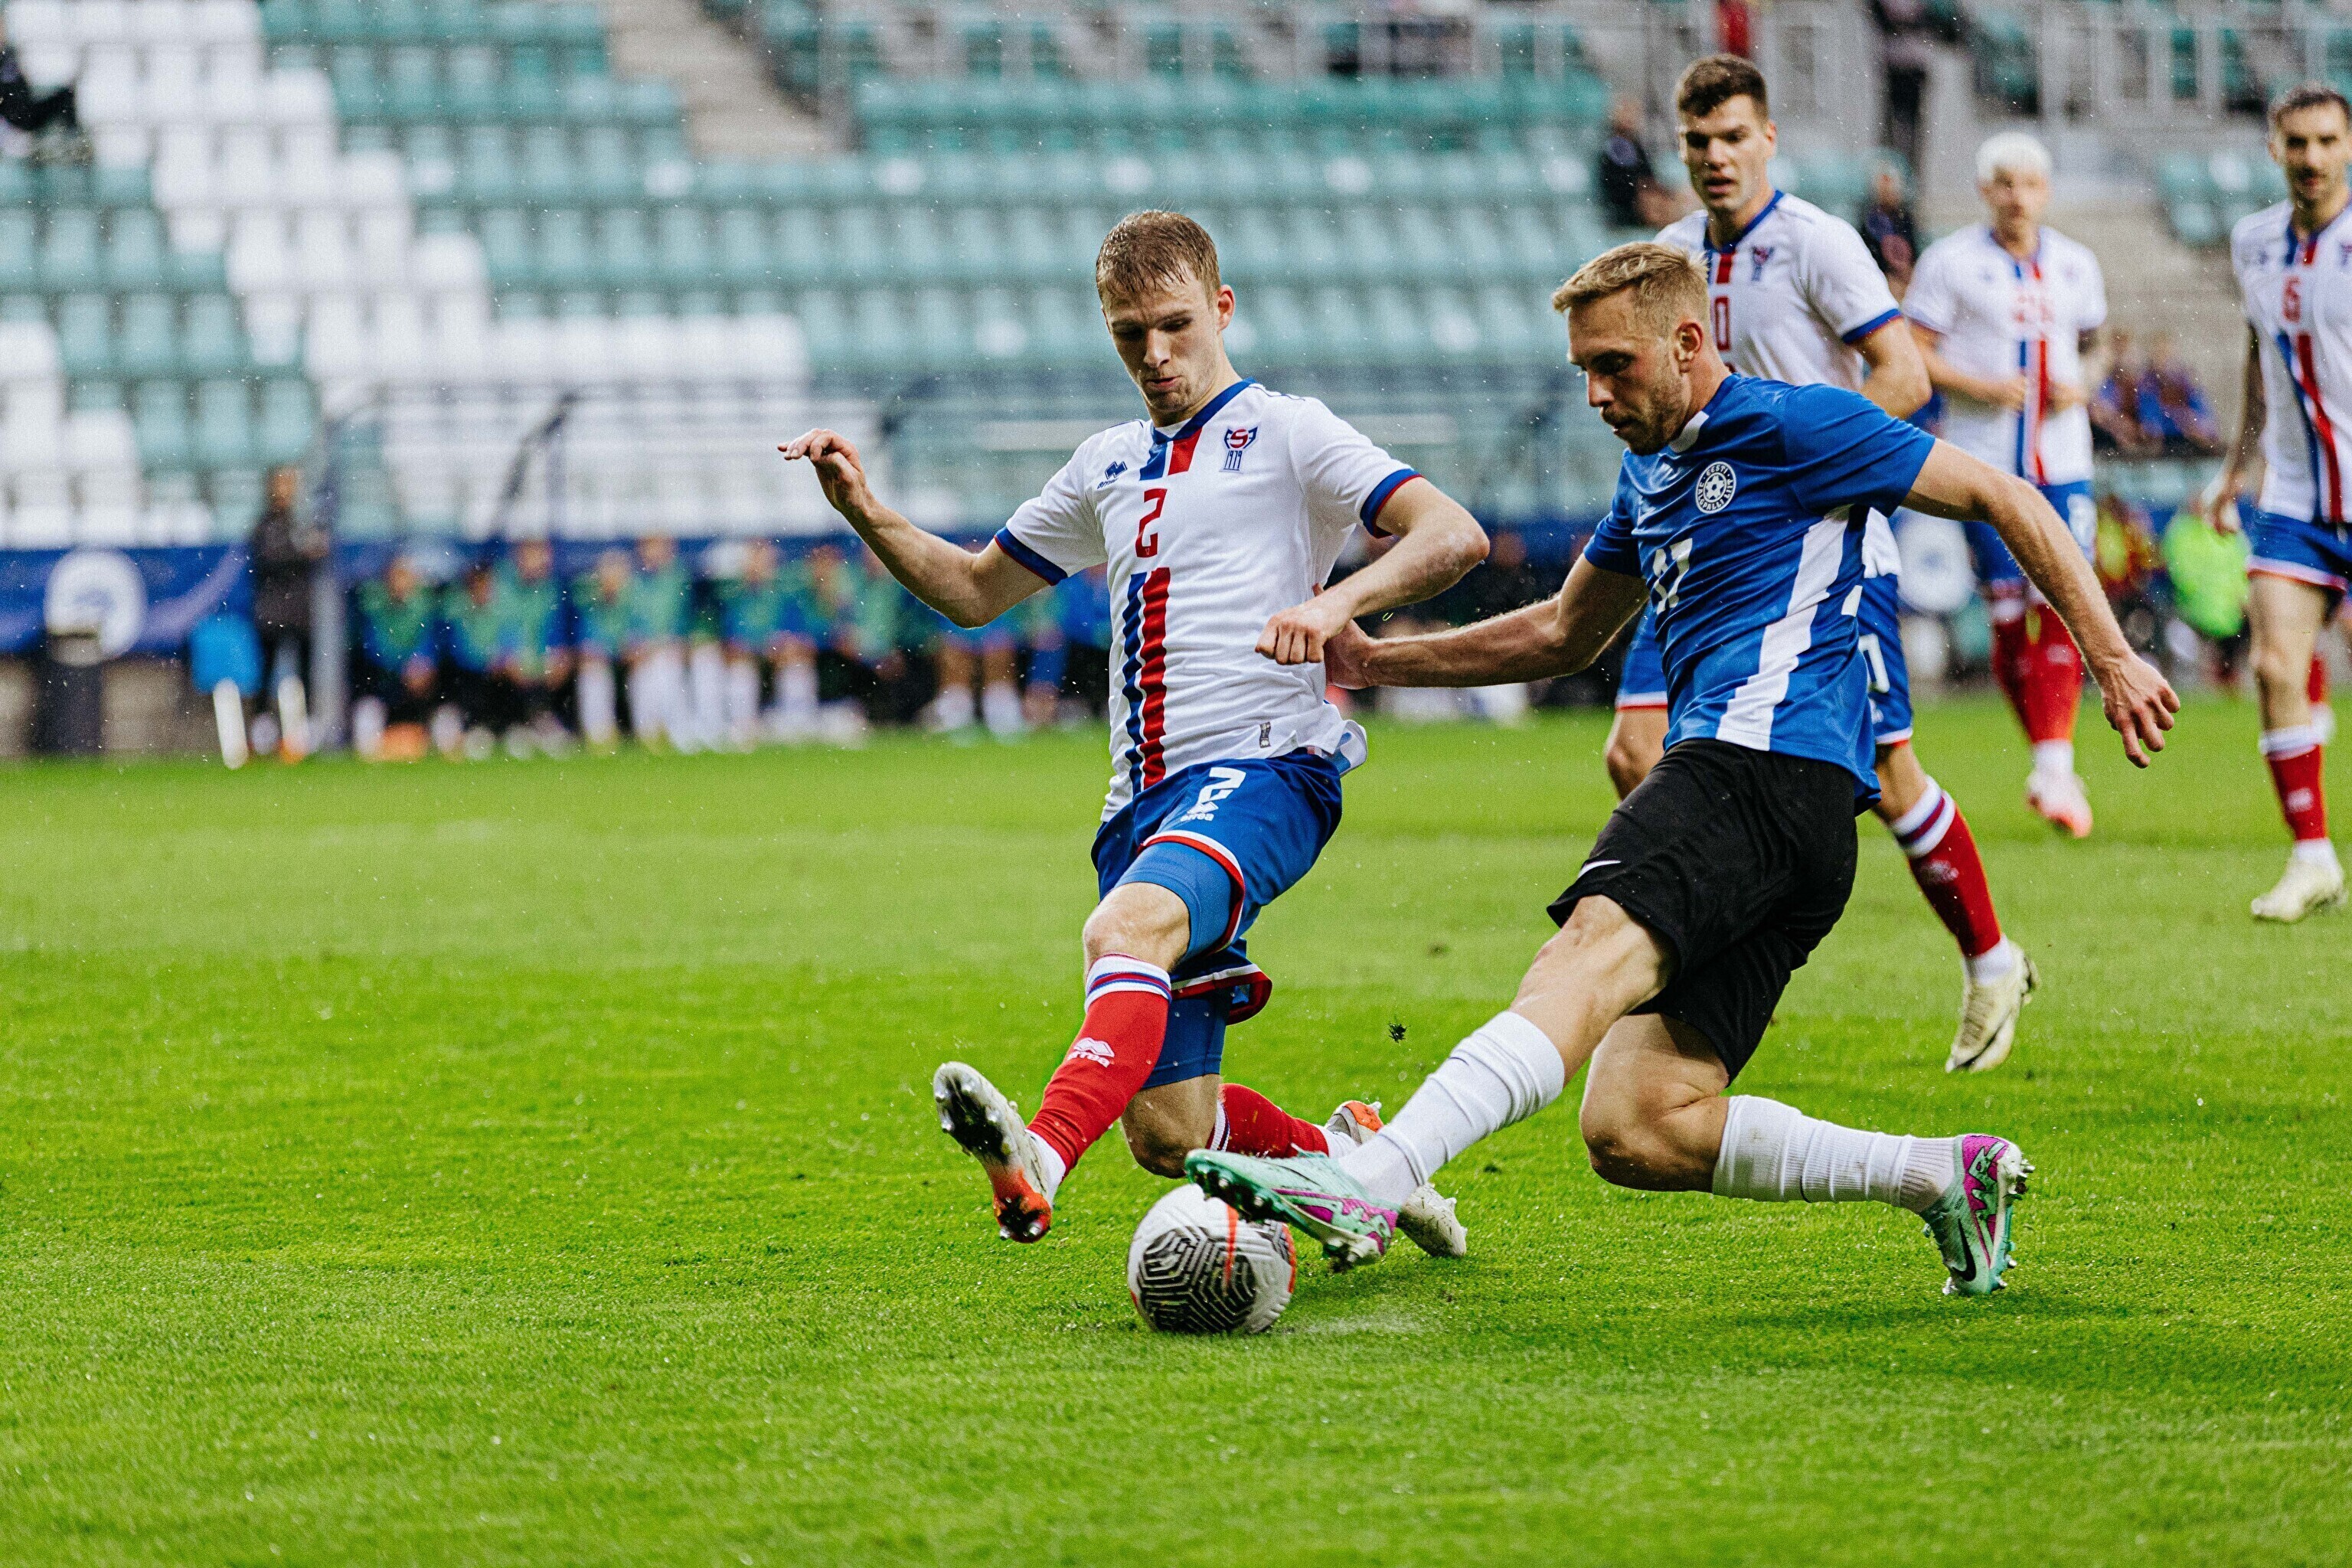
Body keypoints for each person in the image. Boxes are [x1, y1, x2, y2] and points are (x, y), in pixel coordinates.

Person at [1180, 243, 2177, 1296]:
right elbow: (1564, 631)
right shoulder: (1648, 474)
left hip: (1757, 766)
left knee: (1579, 960)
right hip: (1800, 826)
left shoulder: (1796, 425)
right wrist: (1381, 662)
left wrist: (2111, 657)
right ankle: (1940, 1175)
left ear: (1689, 342)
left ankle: (1372, 1180)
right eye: (1583, 371)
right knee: (1638, 1124)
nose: (1596, 394)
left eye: (1615, 365)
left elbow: (2006, 495)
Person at [781, 210, 1491, 1250]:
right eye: (1129, 334)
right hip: (1142, 807)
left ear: (1222, 309)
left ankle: (1039, 1157)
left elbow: (1454, 533)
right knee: (1171, 1134)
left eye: (1175, 325)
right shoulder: (1106, 462)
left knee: (1123, 933)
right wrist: (865, 511)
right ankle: (1363, 1168)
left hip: (1265, 769)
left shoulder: (1290, 431)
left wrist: (1338, 603)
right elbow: (975, 591)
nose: (1155, 354)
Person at [1635, 55, 2032, 1076]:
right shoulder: (1669, 256)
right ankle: (1693, 967)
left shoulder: (1816, 243)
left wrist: (1810, 461)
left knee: (1890, 776)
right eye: (1698, 142)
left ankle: (1991, 958)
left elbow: (1903, 375)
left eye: (1734, 137)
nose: (1717, 157)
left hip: (1823, 556)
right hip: (1699, 550)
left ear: (1768, 138)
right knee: (1640, 750)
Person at [1909, 132, 2114, 840]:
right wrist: (1983, 386)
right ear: (1984, 190)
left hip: (2064, 461)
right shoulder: (1950, 262)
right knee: (2005, 612)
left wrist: (2084, 384)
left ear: (2045, 191)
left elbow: (2096, 343)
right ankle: (2049, 761)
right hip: (1985, 462)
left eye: (2028, 184)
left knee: (2059, 598)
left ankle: (2054, 767)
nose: (2017, 197)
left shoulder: (2076, 264)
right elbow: (1915, 355)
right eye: (2003, 183)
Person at [2213, 81, 2352, 921]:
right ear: (2274, 148)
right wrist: (2238, 464)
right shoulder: (2253, 241)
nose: (2311, 158)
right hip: (2296, 495)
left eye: (2327, 141)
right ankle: (2312, 858)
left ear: (2349, 146)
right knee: (2273, 665)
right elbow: (2257, 353)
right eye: (2297, 142)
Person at [247, 465, 326, 762]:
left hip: (298, 613)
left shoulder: (298, 523)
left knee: (304, 674)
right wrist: (303, 553)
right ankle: (261, 734)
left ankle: (303, 735)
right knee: (267, 674)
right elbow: (270, 558)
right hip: (273, 612)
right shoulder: (265, 525)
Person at [717, 538, 818, 746]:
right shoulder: (735, 596)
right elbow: (730, 641)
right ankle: (742, 727)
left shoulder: (786, 595)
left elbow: (802, 638)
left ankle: (796, 726)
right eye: (754, 559)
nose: (758, 566)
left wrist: (786, 648)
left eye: (763, 560)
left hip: (781, 657)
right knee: (740, 672)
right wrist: (754, 650)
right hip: (748, 658)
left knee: (797, 667)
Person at [350, 555, 439, 762]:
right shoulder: (373, 607)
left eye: (404, 577)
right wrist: (404, 666)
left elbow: (430, 644)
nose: (400, 584)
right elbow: (374, 649)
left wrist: (421, 664)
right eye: (396, 577)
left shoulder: (426, 608)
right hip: (383, 684)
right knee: (366, 738)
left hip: (418, 685)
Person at [497, 537, 572, 753]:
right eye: (528, 556)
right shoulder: (505, 589)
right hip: (514, 658)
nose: (533, 562)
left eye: (537, 556)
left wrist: (558, 657)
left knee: (556, 667)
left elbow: (559, 631)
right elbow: (503, 629)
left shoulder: (554, 590)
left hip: (542, 659)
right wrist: (511, 655)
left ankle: (544, 721)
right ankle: (518, 725)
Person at [622, 535, 691, 750]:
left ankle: (678, 730)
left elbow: (684, 620)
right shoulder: (633, 583)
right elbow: (627, 622)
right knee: (645, 672)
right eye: (648, 548)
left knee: (666, 667)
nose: (652, 553)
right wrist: (634, 644)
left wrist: (674, 643)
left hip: (671, 648)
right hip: (643, 651)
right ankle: (648, 732)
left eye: (657, 547)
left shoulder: (680, 579)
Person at [569, 547, 633, 750]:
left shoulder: (635, 599)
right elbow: (587, 643)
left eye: (617, 575)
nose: (612, 582)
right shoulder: (588, 600)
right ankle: (598, 733)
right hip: (603, 662)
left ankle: (652, 730)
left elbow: (641, 635)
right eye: (607, 575)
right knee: (593, 670)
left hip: (629, 663)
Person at [1595, 96, 1679, 231]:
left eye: (1633, 113)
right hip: (1625, 206)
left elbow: (1647, 174)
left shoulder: (1635, 145)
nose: (1630, 118)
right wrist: (1644, 189)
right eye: (1626, 113)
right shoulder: (1614, 146)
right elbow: (1623, 180)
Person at [1859, 167, 1920, 295]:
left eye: (1891, 192)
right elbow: (1868, 257)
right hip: (1881, 278)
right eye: (1884, 192)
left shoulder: (1904, 218)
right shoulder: (1870, 221)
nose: (1888, 196)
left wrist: (1908, 273)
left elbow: (1913, 251)